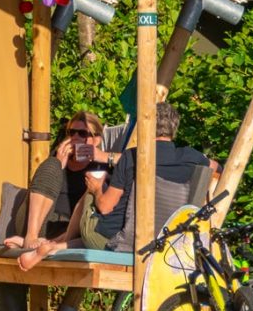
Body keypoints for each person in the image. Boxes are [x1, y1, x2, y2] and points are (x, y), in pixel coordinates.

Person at [0, 111, 107, 311]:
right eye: (71, 132)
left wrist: (100, 161)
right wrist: (59, 163)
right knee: (50, 166)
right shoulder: (56, 163)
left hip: (70, 232)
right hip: (36, 224)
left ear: (96, 139)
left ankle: (46, 244)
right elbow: (42, 188)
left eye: (83, 134)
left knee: (89, 197)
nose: (75, 138)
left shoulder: (100, 167)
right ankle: (31, 238)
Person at [85, 101, 215, 251]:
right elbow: (218, 169)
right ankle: (61, 244)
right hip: (170, 244)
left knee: (89, 188)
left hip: (122, 241)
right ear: (174, 128)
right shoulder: (192, 157)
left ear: (145, 125)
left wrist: (96, 189)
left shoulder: (132, 157)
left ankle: (62, 242)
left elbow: (105, 207)